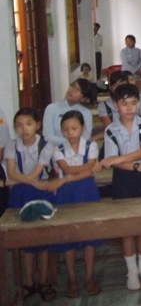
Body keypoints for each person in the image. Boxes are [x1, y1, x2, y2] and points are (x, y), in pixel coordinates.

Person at [95, 84, 141, 290]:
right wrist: (135, 165)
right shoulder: (111, 130)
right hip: (122, 178)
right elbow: (114, 163)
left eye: (133, 103)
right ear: (115, 105)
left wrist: (119, 158)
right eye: (124, 104)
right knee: (127, 227)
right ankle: (132, 270)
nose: (129, 108)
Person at [45, 111, 102, 298]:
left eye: (74, 128)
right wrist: (88, 168)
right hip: (65, 195)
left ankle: (89, 277)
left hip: (87, 192)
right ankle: (72, 280)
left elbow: (87, 171)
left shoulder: (91, 145)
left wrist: (66, 178)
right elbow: (69, 168)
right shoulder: (58, 148)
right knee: (67, 236)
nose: (70, 133)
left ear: (82, 128)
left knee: (89, 235)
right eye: (65, 129)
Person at [4, 108, 57, 302]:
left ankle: (43, 281)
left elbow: (37, 172)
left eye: (28, 124)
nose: (24, 129)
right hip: (21, 194)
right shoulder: (12, 145)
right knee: (25, 239)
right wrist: (34, 183)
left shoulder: (46, 145)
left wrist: (33, 183)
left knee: (42, 238)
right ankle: (28, 282)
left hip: (41, 194)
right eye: (19, 125)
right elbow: (12, 172)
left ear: (37, 125)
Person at [42, 79, 95, 147]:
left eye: (78, 89)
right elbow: (47, 136)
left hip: (76, 149)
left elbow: (86, 137)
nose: (72, 90)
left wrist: (72, 144)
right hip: (53, 148)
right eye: (72, 86)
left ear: (83, 98)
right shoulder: (52, 108)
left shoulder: (86, 113)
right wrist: (69, 142)